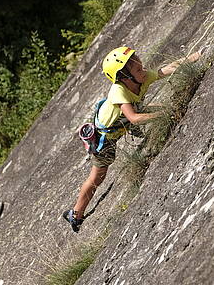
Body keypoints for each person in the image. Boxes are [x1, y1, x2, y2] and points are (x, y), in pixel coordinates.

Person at [63, 46, 201, 232]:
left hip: (124, 122)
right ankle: (76, 213)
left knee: (158, 106)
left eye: (141, 66)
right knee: (97, 177)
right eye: (137, 70)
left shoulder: (140, 77)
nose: (143, 70)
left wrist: (192, 57)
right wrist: (166, 114)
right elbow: (134, 118)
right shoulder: (118, 91)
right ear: (123, 78)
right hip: (106, 139)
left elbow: (164, 71)